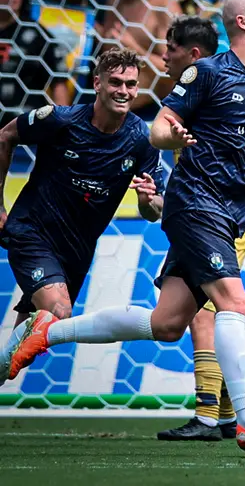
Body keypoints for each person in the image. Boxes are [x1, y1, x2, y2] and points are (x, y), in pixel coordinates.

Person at [3, 0, 245, 453]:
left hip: (228, 214)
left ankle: (49, 332)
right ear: (243, 23)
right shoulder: (207, 72)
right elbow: (160, 126)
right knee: (235, 303)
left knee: (168, 323)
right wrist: (171, 134)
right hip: (196, 207)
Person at [0, 49, 163, 381]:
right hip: (33, 231)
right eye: (115, 82)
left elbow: (152, 212)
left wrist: (148, 200)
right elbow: (5, 135)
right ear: (97, 83)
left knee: (26, 348)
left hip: (77, 250)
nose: (124, 91)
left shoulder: (142, 141)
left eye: (131, 84)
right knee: (58, 311)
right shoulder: (61, 120)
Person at [154, 16, 239, 441]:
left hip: (215, 216)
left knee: (212, 313)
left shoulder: (214, 88)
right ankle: (224, 415)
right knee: (169, 322)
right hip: (198, 213)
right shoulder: (196, 96)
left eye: (170, 47)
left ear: (193, 55)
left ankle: (211, 416)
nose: (163, 55)